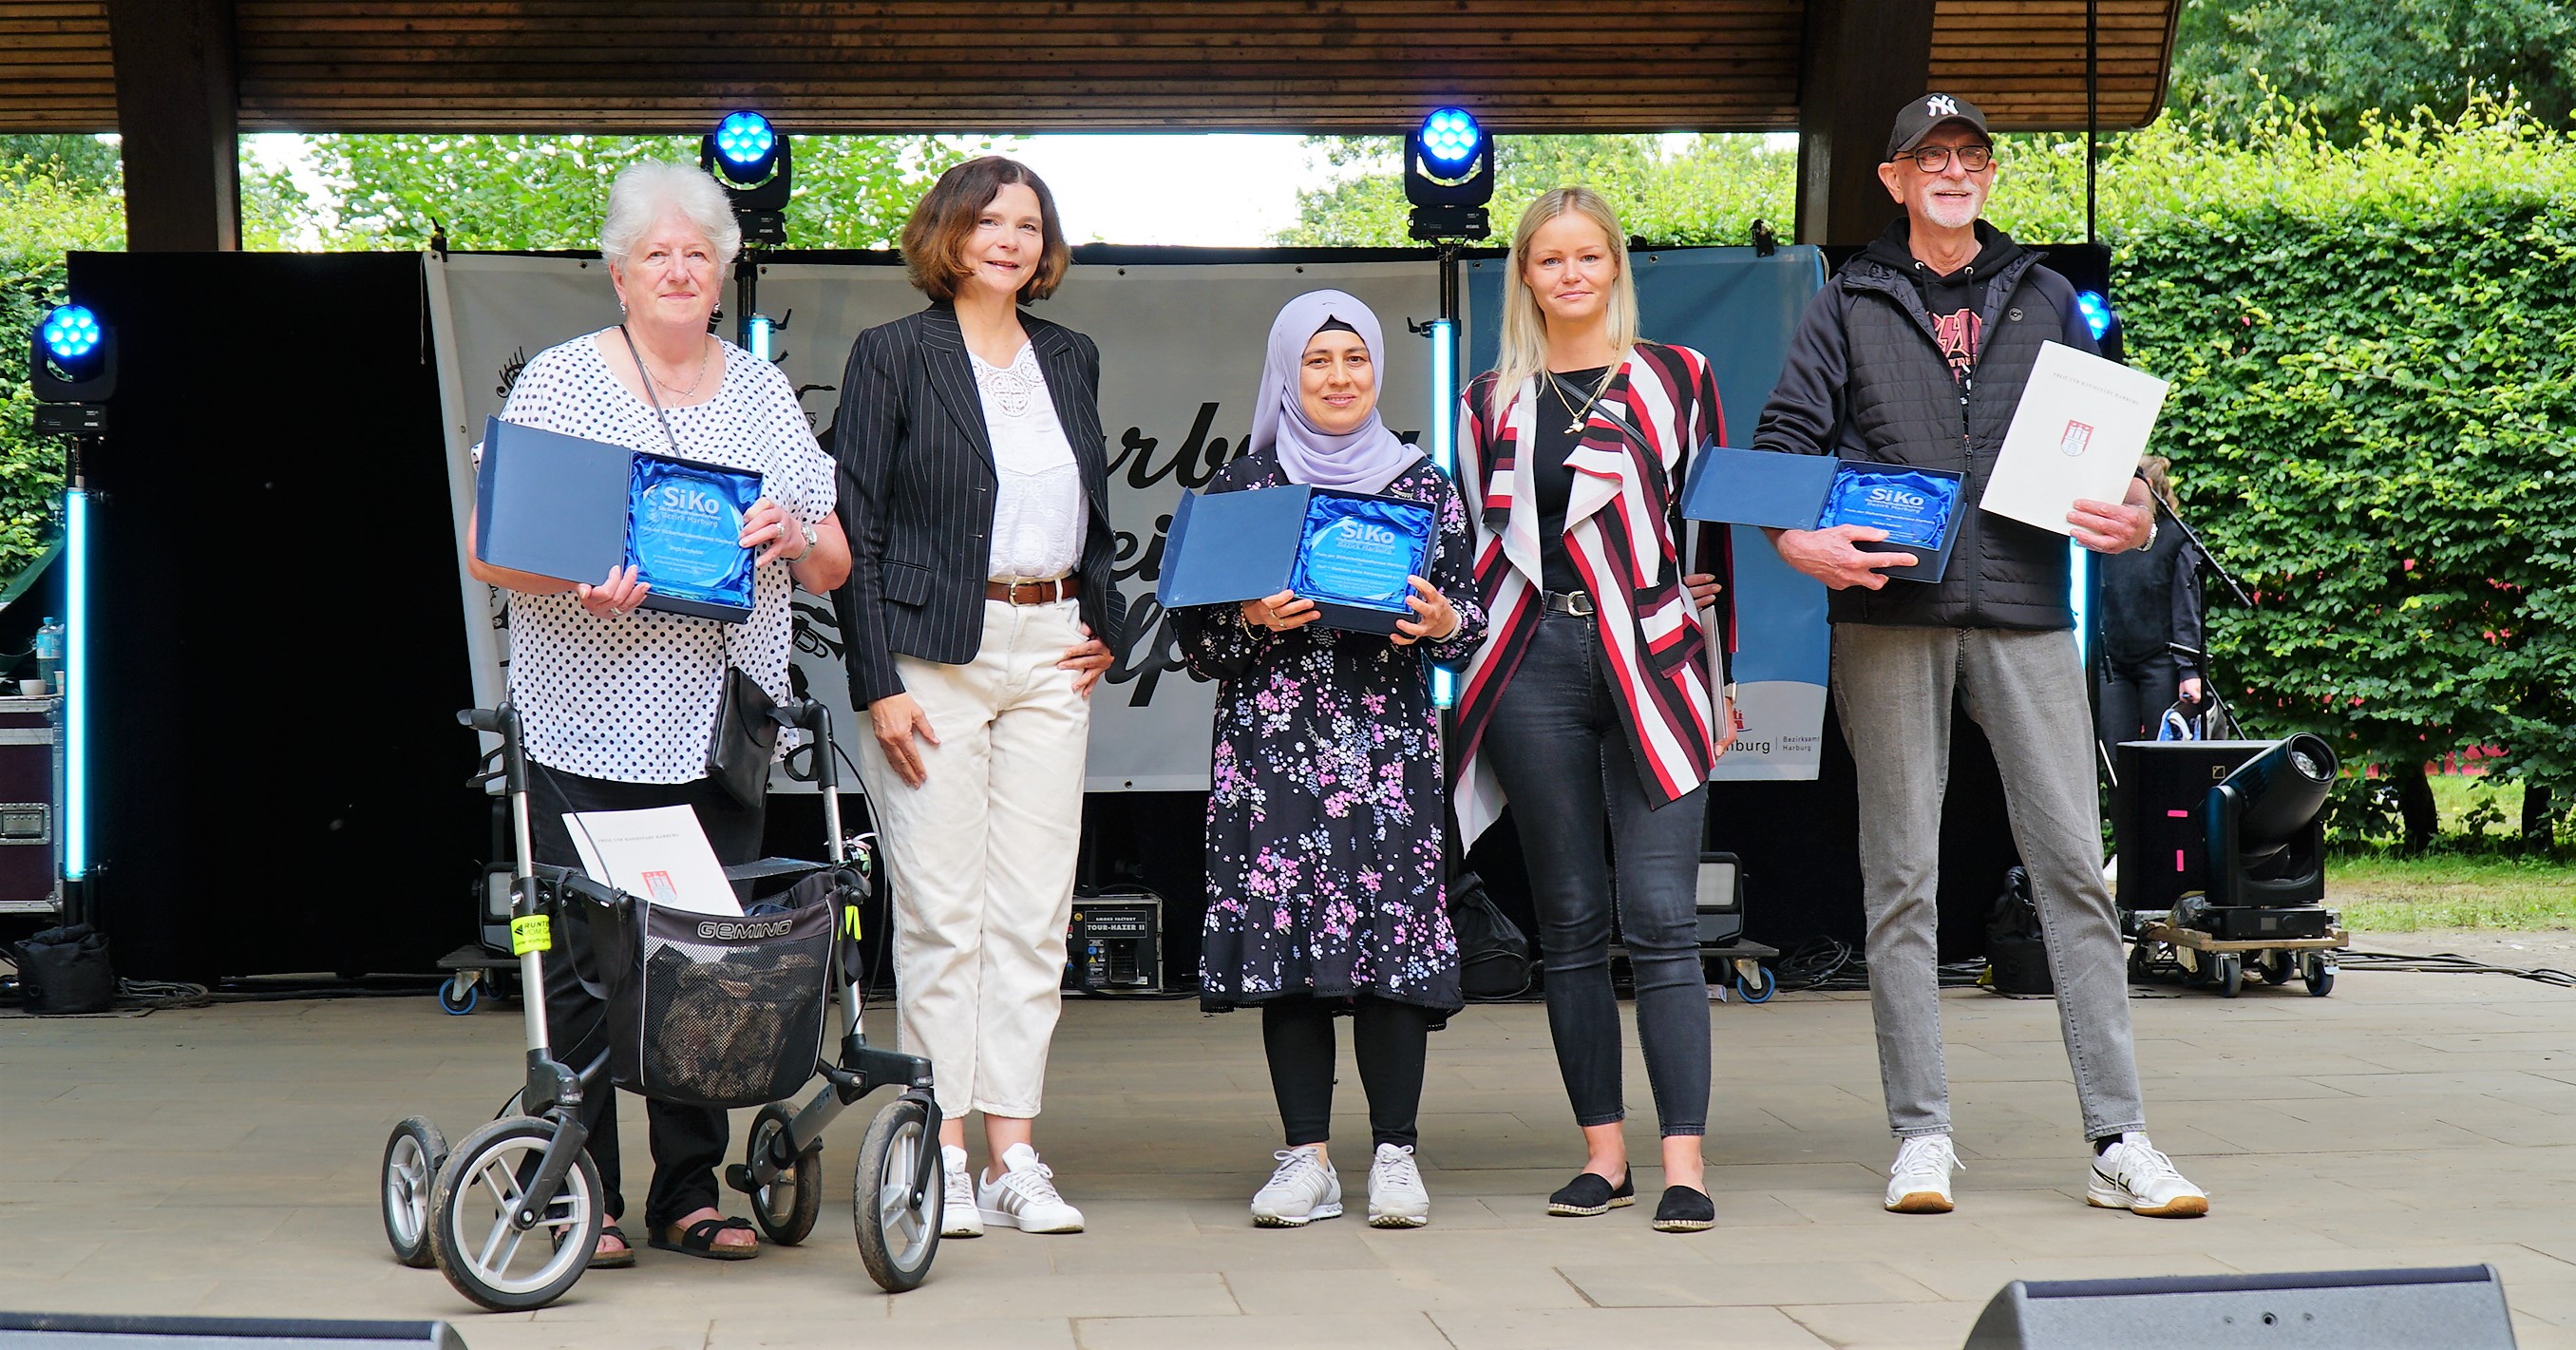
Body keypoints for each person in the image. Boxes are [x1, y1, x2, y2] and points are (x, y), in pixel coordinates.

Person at [1752, 93, 2207, 1218]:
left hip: (2025, 611)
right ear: (1895, 179)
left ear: (1989, 177)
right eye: (1930, 156)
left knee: (2073, 874)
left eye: (1972, 156)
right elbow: (1779, 451)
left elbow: (2121, 452)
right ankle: (1921, 1135)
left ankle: (2120, 1138)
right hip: (1888, 619)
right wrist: (1798, 538)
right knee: (1898, 879)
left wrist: (2140, 513)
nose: (1954, 171)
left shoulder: (2048, 294)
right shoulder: (1847, 300)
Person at [464, 161, 851, 1264]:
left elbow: (832, 563)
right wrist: (579, 572)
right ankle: (576, 1188)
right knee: (592, 957)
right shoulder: (560, 384)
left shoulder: (760, 393)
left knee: (702, 960)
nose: (681, 271)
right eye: (658, 255)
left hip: (716, 725)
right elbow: (493, 548)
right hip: (584, 717)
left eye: (700, 254)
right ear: (622, 274)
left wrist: (790, 534)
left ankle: (689, 1192)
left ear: (721, 274)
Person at [832, 156, 1123, 1239]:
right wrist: (876, 683)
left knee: (1035, 916)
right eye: (991, 219)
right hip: (931, 655)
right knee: (944, 913)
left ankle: (1015, 1154)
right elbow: (851, 527)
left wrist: (1106, 625)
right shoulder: (892, 355)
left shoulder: (1070, 355)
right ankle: (939, 1151)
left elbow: (1094, 514)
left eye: (1030, 224)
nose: (1011, 237)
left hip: (1050, 645)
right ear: (948, 234)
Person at [1449, 187, 1736, 1234]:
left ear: (1616, 266)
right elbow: (1478, 545)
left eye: (1588, 257)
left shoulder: (1677, 376)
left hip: (1654, 656)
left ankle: (1685, 1161)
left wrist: (1727, 673)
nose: (1570, 274)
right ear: (1524, 275)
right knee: (1568, 920)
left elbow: (1715, 539)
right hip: (1531, 658)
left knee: (1662, 918)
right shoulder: (1490, 397)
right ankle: (1603, 1155)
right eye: (1549, 260)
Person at [1176, 291, 1485, 1230]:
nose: (1340, 377)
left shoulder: (1423, 486)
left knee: (1391, 941)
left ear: (1378, 371)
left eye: (1355, 358)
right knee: (1290, 944)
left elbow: (1465, 625)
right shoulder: (1242, 488)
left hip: (1386, 754)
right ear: (1285, 373)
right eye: (1317, 361)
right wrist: (1246, 617)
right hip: (1273, 754)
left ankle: (1396, 1153)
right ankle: (1305, 1158)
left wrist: (1441, 621)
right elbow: (1198, 644)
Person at [2096, 456, 2206, 752]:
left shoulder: (2177, 537)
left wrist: (2188, 671)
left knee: (2163, 754)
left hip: (2161, 662)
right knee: (2116, 754)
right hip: (2113, 664)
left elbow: (2186, 608)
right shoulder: (2108, 536)